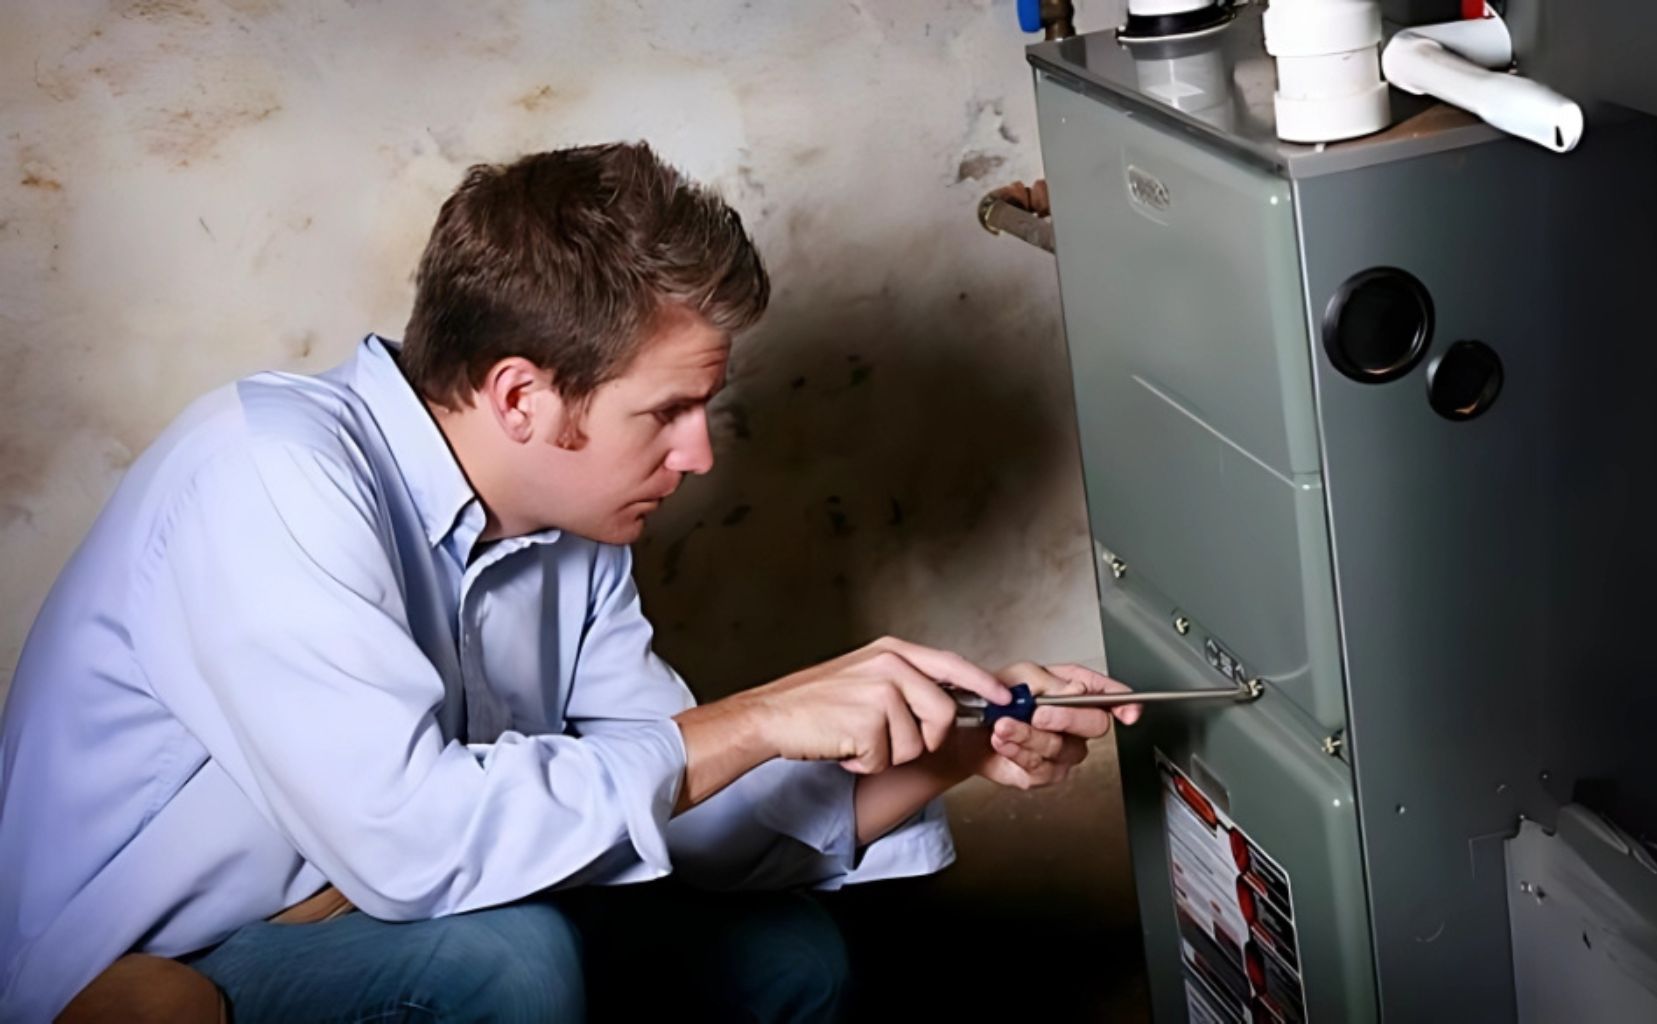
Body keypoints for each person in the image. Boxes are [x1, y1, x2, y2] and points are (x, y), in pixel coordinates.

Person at [0, 142, 1137, 1022]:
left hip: (393, 899)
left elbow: (682, 816)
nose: (698, 456)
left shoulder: (571, 531)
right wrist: (756, 716)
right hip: (150, 962)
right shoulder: (269, 475)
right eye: (667, 413)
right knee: (505, 962)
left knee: (790, 958)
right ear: (518, 397)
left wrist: (959, 747)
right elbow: (418, 845)